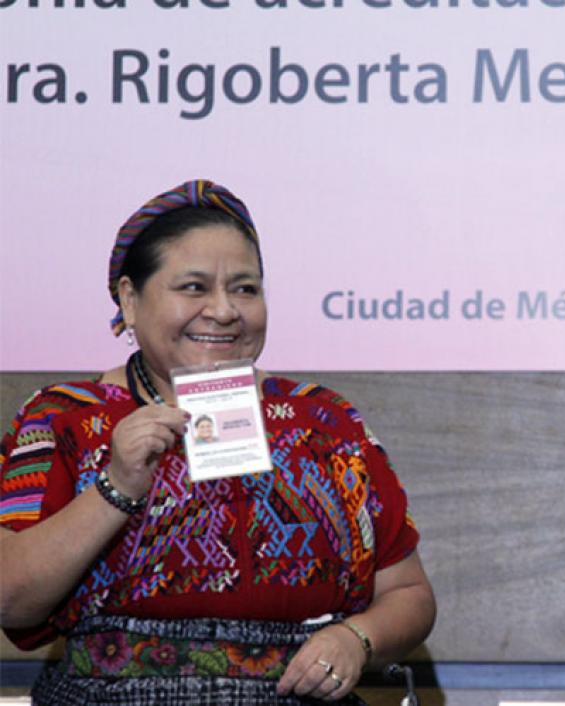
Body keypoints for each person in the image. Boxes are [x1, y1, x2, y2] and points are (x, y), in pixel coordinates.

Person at [0, 179, 436, 705]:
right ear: (130, 299)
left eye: (246, 289)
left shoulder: (323, 420)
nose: (225, 310)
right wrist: (116, 488)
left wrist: (356, 639)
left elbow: (409, 594)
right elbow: (10, 602)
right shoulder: (66, 418)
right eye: (194, 287)